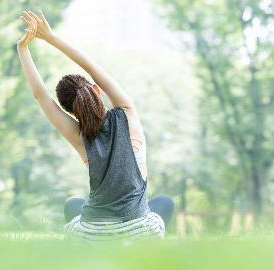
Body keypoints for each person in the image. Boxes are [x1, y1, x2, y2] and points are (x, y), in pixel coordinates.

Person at [17, 10, 174, 242]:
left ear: (71, 111)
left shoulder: (79, 136)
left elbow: (41, 97)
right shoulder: (127, 113)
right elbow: (91, 67)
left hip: (92, 235)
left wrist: (23, 48)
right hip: (141, 231)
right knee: (164, 203)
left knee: (73, 204)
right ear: (97, 91)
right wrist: (51, 37)